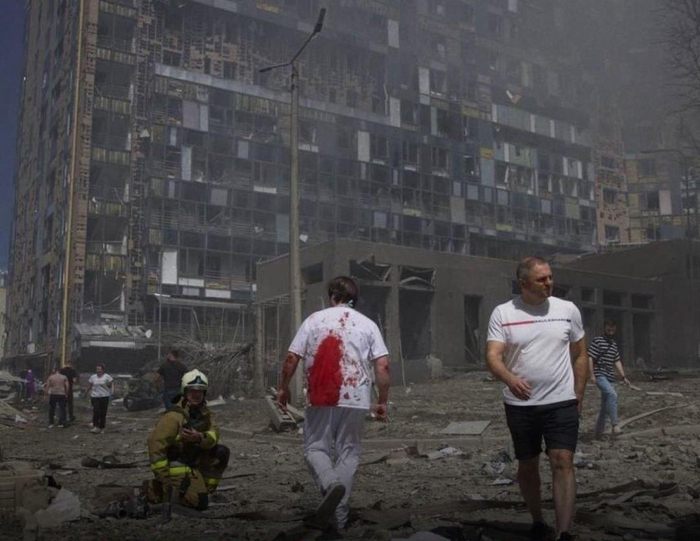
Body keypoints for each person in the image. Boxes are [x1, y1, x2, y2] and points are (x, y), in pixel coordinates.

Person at [276, 276, 391, 535]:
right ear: (354, 299)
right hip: (357, 397)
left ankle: (329, 484)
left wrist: (283, 388)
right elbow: (383, 366)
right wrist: (383, 401)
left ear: (332, 296)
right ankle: (338, 521)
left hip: (321, 395)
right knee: (348, 453)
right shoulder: (368, 325)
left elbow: (291, 358)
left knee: (316, 448)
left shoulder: (313, 320)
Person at [486, 257, 588, 541]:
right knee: (528, 464)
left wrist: (579, 393)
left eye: (550, 277)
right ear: (523, 283)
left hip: (561, 401)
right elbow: (493, 356)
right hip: (521, 405)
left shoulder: (567, 310)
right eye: (542, 279)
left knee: (562, 460)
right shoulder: (503, 313)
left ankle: (564, 531)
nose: (549, 283)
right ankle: (538, 521)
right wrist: (510, 379)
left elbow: (580, 354)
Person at [146, 369, 230, 510]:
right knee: (198, 503)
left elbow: (214, 434)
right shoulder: (174, 416)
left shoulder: (204, 414)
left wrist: (199, 438)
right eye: (192, 391)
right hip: (176, 466)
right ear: (184, 392)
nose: (196, 394)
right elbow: (155, 444)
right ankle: (154, 491)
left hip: (193, 463)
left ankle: (206, 490)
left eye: (200, 391)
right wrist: (164, 479)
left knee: (221, 452)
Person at [588, 320, 630, 438]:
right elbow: (590, 357)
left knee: (605, 406)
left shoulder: (613, 344)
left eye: (613, 330)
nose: (611, 332)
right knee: (612, 395)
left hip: (610, 377)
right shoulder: (597, 341)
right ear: (605, 328)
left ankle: (598, 432)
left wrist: (623, 377)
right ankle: (615, 425)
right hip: (600, 375)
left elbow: (617, 361)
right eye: (608, 329)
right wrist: (591, 375)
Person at [86, 364, 114, 434]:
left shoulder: (107, 377)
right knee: (96, 410)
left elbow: (111, 383)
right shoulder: (93, 377)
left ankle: (102, 427)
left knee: (103, 412)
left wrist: (111, 391)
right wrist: (86, 392)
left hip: (104, 396)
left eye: (99, 369)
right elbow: (90, 385)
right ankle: (95, 426)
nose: (98, 371)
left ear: (102, 370)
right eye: (97, 369)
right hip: (95, 396)